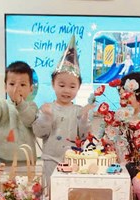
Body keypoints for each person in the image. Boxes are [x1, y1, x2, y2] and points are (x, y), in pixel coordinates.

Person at [33, 35, 90, 188]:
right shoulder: (47, 108)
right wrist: (46, 117)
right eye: (62, 85)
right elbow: (39, 133)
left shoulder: (78, 111)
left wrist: (84, 119)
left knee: (71, 193)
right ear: (53, 84)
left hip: (74, 161)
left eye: (72, 86)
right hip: (50, 159)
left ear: (78, 87)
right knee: (52, 192)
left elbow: (84, 137)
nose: (66, 90)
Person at [0, 61, 38, 165]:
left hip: (27, 161)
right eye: (12, 84)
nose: (17, 88)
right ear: (5, 87)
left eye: (22, 84)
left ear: (31, 88)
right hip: (2, 161)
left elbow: (30, 120)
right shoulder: (2, 104)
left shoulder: (32, 106)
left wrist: (20, 103)